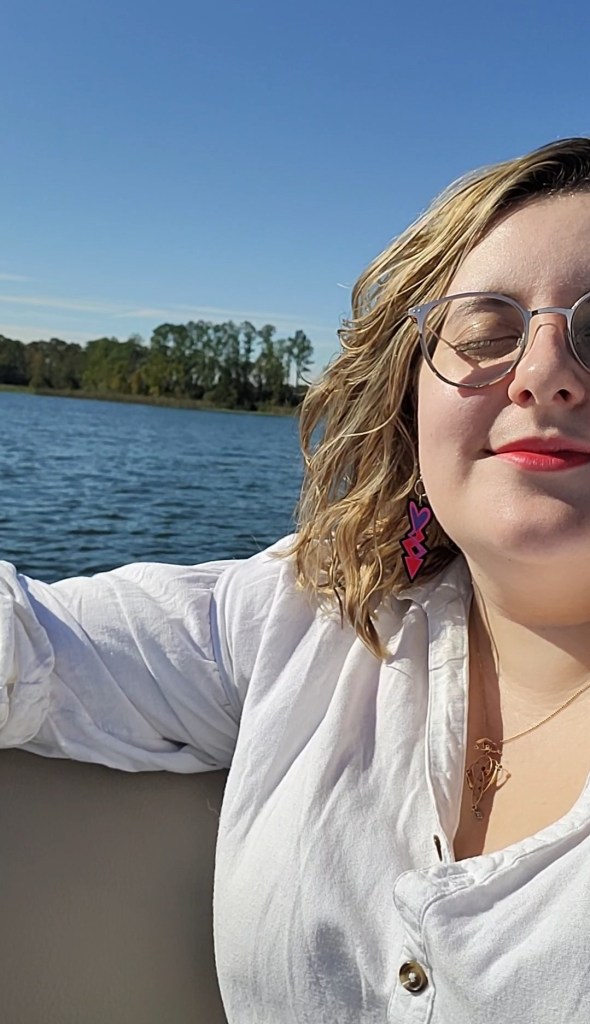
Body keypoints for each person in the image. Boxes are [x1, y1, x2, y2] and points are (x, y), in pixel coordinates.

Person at [2, 137, 590, 1024]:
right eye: (485, 334)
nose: (544, 377)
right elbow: (32, 652)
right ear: (409, 398)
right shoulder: (307, 615)